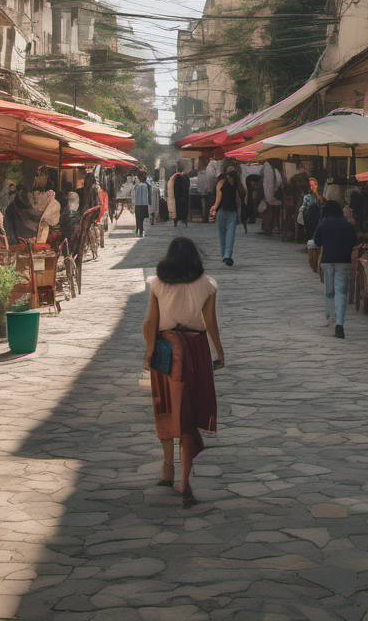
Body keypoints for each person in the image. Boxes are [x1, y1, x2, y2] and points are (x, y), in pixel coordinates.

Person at [141, 236, 224, 507]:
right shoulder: (207, 284)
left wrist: (149, 352)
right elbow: (210, 322)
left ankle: (168, 469)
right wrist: (219, 353)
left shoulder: (157, 283)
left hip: (166, 349)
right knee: (188, 411)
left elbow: (150, 321)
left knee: (165, 405)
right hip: (196, 351)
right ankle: (185, 479)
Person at [308, 199, 358, 338]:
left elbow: (316, 242)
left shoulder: (323, 224)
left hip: (328, 260)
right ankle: (340, 324)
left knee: (329, 290)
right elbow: (355, 242)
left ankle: (331, 316)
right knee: (341, 292)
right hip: (344, 260)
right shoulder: (348, 226)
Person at [210, 167, 244, 267]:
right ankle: (227, 256)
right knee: (230, 235)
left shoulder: (221, 183)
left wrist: (214, 208)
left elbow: (218, 198)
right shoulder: (238, 185)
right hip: (232, 212)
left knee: (223, 235)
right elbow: (238, 201)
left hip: (222, 211)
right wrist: (238, 213)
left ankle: (225, 256)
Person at [259, 159, 283, 235]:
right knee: (269, 210)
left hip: (268, 193)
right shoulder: (273, 169)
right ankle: (269, 228)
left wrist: (269, 192)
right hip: (270, 193)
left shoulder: (268, 169)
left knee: (267, 211)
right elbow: (279, 181)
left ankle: (268, 228)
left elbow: (267, 183)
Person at [167, 161, 191, 228]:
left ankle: (176, 221)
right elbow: (187, 187)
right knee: (184, 209)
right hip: (184, 197)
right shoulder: (185, 177)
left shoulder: (175, 177)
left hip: (177, 197)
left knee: (177, 209)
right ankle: (184, 220)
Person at [132, 169, 153, 237]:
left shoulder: (136, 186)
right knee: (143, 218)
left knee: (139, 218)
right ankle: (141, 230)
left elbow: (133, 196)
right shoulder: (147, 185)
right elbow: (149, 195)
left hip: (137, 204)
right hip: (145, 204)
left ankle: (139, 229)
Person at [203, 157, 222, 224]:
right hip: (214, 187)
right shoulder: (215, 164)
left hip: (212, 188)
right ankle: (212, 218)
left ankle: (207, 218)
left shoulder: (212, 164)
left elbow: (210, 177)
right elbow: (212, 176)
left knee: (210, 203)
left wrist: (209, 188)